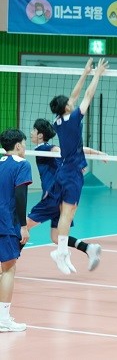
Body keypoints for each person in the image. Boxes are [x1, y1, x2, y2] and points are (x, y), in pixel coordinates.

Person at [48, 57, 109, 275]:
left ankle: (62, 251)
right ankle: (61, 252)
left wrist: (85, 72)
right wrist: (97, 74)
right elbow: (87, 95)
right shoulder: (74, 118)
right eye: (69, 102)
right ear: (66, 107)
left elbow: (74, 96)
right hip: (72, 173)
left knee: (69, 211)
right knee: (67, 213)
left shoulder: (58, 121)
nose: (71, 101)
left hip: (67, 171)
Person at [26, 118, 104, 271]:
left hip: (52, 196)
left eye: (34, 130)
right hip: (62, 196)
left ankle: (9, 261)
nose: (31, 133)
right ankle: (88, 248)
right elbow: (75, 151)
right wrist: (96, 153)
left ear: (40, 135)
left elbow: (67, 150)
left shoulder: (43, 148)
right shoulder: (48, 150)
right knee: (56, 237)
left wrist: (94, 153)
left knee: (23, 226)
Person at [0, 129, 31, 332]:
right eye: (24, 144)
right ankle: (3, 319)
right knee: (8, 269)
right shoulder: (22, 164)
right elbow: (20, 196)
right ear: (18, 145)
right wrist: (23, 226)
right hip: (7, 223)